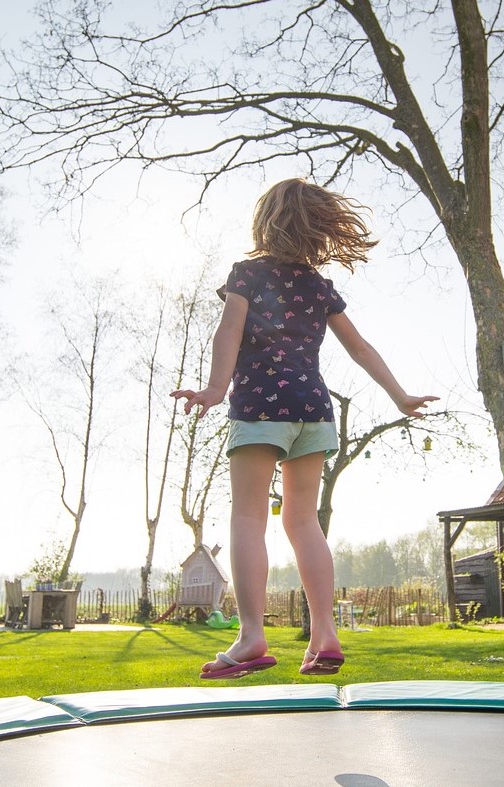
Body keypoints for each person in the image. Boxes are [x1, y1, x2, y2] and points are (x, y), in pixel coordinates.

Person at [171, 178, 438, 679]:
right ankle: (325, 634)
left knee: (249, 518)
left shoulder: (247, 274)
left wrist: (212, 389)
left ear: (266, 221)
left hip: (260, 407)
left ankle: (251, 636)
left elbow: (228, 329)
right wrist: (399, 395)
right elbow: (360, 348)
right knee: (303, 521)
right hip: (313, 409)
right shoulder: (319, 285)